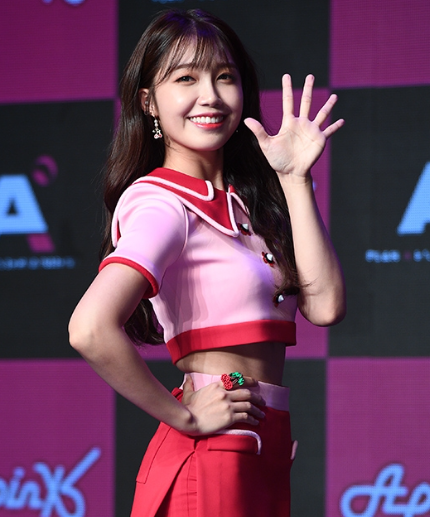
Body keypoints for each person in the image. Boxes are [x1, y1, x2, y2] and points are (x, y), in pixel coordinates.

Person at [69, 8, 346, 517]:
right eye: (185, 79)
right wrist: (185, 417)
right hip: (212, 448)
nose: (210, 96)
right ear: (148, 101)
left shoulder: (250, 202)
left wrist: (295, 180)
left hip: (261, 441)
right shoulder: (160, 203)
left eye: (224, 77)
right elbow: (89, 328)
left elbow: (325, 307)